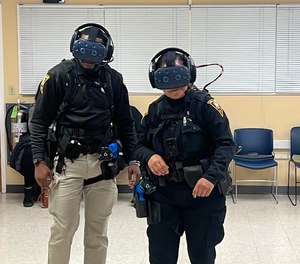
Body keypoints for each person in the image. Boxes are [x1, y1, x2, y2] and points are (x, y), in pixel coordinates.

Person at [30, 23, 140, 264]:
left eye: (96, 53)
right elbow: (38, 122)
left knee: (97, 233)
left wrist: (133, 159)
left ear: (106, 53)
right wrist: (39, 160)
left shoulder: (113, 80)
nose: (88, 60)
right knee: (63, 230)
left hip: (102, 166)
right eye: (84, 51)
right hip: (68, 164)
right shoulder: (59, 75)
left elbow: (125, 123)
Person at [135, 47, 235, 264]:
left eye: (179, 78)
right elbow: (138, 145)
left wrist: (211, 177)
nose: (173, 87)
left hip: (202, 193)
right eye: (166, 80)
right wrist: (149, 156)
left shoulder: (205, 106)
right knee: (161, 257)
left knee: (202, 256)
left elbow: (226, 144)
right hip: (164, 194)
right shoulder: (155, 110)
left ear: (189, 75)